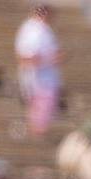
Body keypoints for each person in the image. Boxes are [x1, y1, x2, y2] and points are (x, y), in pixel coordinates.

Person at [14, 5, 61, 137]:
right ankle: (37, 135)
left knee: (43, 112)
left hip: (45, 79)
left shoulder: (42, 29)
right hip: (39, 80)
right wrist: (50, 59)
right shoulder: (34, 30)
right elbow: (26, 58)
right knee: (39, 114)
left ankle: (38, 133)